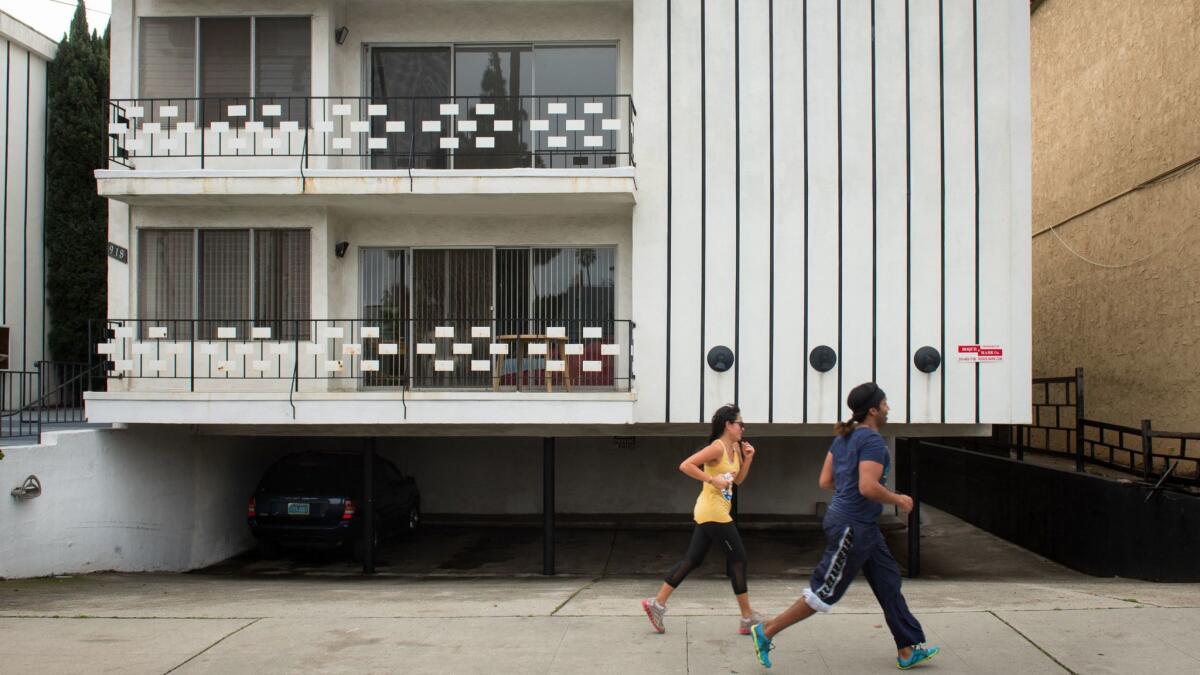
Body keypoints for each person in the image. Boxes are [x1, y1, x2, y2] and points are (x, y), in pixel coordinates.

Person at [749, 383, 940, 670]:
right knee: (824, 591)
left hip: (861, 524)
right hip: (852, 527)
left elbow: (825, 481)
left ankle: (907, 649)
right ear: (873, 410)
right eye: (885, 403)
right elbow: (867, 486)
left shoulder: (843, 438)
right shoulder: (873, 441)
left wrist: (852, 488)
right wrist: (899, 499)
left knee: (888, 581)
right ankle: (767, 631)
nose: (889, 408)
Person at [642, 404, 762, 635]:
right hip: (712, 512)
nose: (743, 428)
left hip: (714, 511)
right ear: (728, 425)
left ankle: (656, 604)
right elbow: (685, 465)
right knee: (738, 560)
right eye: (740, 424)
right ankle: (747, 617)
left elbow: (738, 481)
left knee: (692, 560)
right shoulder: (716, 448)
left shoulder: (736, 448)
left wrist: (748, 458)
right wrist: (712, 479)